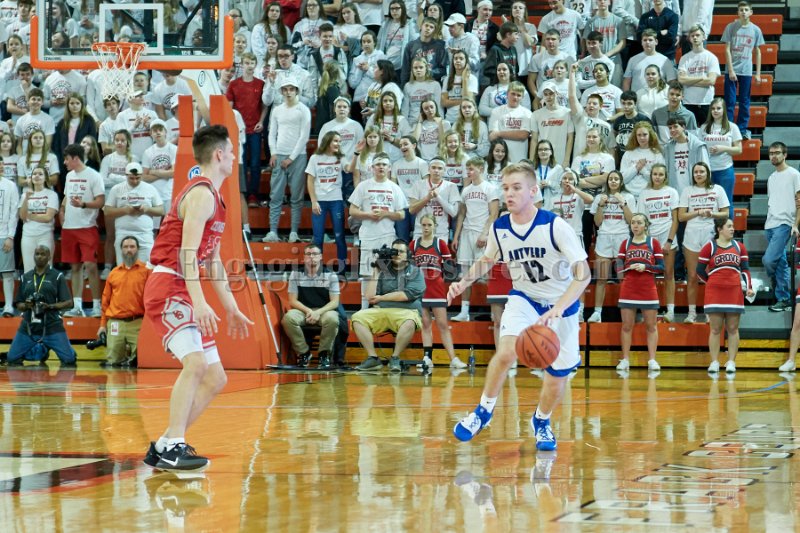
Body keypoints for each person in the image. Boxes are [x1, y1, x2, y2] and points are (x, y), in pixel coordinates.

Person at [449, 161, 591, 451]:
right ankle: (483, 412)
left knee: (557, 377)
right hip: (524, 298)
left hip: (561, 307)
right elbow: (487, 259)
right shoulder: (500, 227)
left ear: (533, 191)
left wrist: (559, 309)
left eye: (516, 188)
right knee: (505, 353)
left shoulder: (554, 225)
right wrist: (463, 282)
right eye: (505, 188)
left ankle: (542, 421)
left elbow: (584, 274)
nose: (509, 194)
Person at [142, 124, 254, 473]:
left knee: (217, 377)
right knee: (195, 364)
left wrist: (231, 307)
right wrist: (201, 302)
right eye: (231, 152)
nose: (234, 157)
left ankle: (165, 444)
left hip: (182, 286)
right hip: (167, 284)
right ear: (219, 154)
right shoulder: (202, 194)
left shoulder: (216, 198)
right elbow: (187, 254)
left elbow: (213, 261)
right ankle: (175, 444)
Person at [352, 238, 425, 372]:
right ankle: (373, 358)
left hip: (407, 312)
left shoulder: (415, 271)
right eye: (394, 251)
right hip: (383, 310)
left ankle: (395, 357)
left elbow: (406, 295)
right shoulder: (384, 271)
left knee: (409, 322)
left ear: (408, 254)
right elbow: (370, 297)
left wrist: (382, 298)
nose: (397, 254)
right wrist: (376, 271)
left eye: (401, 252)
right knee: (357, 318)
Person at [348, 152, 408, 308]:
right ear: (372, 167)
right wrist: (368, 214)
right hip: (368, 235)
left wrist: (385, 214)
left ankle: (382, 306)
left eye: (384, 165)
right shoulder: (363, 186)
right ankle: (364, 308)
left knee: (386, 273)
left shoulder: (394, 188)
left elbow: (402, 214)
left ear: (389, 168)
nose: (381, 167)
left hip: (387, 235)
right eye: (378, 164)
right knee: (367, 273)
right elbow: (352, 211)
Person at [698, 217, 754, 374]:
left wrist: (749, 287)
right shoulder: (709, 247)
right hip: (715, 292)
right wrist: (711, 282)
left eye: (733, 226)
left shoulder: (739, 247)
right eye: (729, 226)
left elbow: (745, 269)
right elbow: (699, 270)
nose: (732, 229)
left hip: (734, 291)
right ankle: (714, 362)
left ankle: (731, 362)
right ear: (719, 229)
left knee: (733, 328)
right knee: (715, 329)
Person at [410, 214, 466, 370]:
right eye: (424, 225)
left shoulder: (440, 244)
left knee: (443, 324)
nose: (426, 228)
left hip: (437, 290)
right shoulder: (414, 245)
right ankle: (427, 358)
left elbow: (450, 268)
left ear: (435, 226)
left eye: (429, 225)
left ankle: (453, 359)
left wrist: (442, 279)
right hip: (421, 291)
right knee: (425, 324)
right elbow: (410, 268)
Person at [6, 246, 77, 367]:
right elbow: (18, 304)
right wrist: (27, 305)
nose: (39, 256)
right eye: (37, 254)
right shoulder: (26, 277)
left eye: (43, 254)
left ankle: (58, 347)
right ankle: (42, 349)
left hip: (52, 325)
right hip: (29, 326)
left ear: (49, 257)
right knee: (12, 358)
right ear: (33, 256)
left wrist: (50, 306)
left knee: (69, 360)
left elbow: (69, 303)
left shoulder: (57, 276)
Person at [678, 162, 730, 324]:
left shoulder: (717, 189)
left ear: (707, 173)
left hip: (710, 234)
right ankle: (692, 313)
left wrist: (711, 214)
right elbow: (681, 216)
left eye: (701, 171)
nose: (698, 174)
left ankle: (709, 311)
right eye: (696, 172)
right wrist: (697, 212)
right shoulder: (687, 191)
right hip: (691, 235)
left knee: (710, 275)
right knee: (692, 276)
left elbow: (725, 213)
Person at [263, 78, 312, 244]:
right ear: (282, 91)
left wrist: (291, 157)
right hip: (279, 155)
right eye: (285, 89)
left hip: (298, 157)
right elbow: (272, 133)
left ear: (297, 90)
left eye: (292, 89)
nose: (288, 92)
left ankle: (293, 232)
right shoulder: (277, 110)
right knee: (275, 195)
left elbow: (304, 137)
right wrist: (273, 153)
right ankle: (272, 232)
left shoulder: (303, 110)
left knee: (296, 197)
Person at [451, 158, 500, 322]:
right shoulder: (466, 190)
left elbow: (494, 214)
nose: (468, 172)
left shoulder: (490, 188)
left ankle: (494, 312)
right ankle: (464, 312)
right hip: (466, 233)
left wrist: (485, 234)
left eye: (471, 169)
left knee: (487, 275)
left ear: (481, 168)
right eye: (467, 169)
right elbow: (461, 214)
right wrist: (456, 236)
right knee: (465, 275)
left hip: (483, 234)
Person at [615, 213, 664, 374]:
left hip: (648, 289)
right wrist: (626, 269)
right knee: (626, 326)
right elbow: (618, 266)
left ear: (646, 225)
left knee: (651, 326)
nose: (635, 225)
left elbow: (661, 267)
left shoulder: (653, 243)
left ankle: (652, 360)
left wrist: (646, 267)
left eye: (639, 222)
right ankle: (625, 360)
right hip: (629, 288)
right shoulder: (625, 243)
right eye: (633, 222)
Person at [60, 144, 104, 318]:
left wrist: (84, 204)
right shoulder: (69, 176)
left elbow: (100, 201)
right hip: (69, 227)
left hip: (87, 226)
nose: (64, 162)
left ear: (75, 158)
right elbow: (66, 197)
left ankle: (96, 306)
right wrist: (62, 211)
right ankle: (77, 306)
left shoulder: (94, 176)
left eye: (66, 159)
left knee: (91, 266)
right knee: (75, 267)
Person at [281, 243, 342, 369]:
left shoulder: (331, 275)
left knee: (332, 319)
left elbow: (334, 302)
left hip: (324, 311)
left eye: (315, 254)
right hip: (303, 310)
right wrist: (309, 311)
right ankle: (304, 352)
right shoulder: (295, 274)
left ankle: (324, 354)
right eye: (308, 254)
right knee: (288, 319)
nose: (311, 257)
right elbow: (292, 301)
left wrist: (318, 312)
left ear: (321, 257)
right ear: (304, 257)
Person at [586, 170, 635, 323]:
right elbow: (597, 222)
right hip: (604, 238)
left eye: (616, 179)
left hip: (622, 237)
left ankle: (627, 311)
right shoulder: (599, 197)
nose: (613, 181)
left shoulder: (628, 197)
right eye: (611, 179)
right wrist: (601, 205)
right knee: (601, 278)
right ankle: (597, 313)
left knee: (623, 279)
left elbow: (631, 221)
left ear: (621, 182)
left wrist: (623, 203)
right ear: (607, 182)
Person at [97, 236, 150, 368]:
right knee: (113, 362)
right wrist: (102, 325)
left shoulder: (147, 272)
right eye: (126, 247)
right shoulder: (113, 273)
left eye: (132, 247)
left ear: (138, 249)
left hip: (138, 322)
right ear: (121, 250)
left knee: (141, 360)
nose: (129, 250)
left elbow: (151, 299)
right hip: (116, 323)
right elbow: (105, 301)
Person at [637, 163, 679, 322]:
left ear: (665, 176)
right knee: (649, 275)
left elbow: (675, 220)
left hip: (668, 237)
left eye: (661, 174)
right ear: (651, 176)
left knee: (669, 274)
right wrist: (647, 243)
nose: (657, 177)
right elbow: (642, 220)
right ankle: (650, 310)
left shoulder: (672, 192)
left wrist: (669, 241)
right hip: (650, 239)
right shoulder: (644, 194)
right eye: (655, 174)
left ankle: (670, 311)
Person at [226, 52, 267, 209]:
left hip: (255, 129)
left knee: (255, 163)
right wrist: (233, 126)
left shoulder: (260, 84)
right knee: (240, 163)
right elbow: (229, 108)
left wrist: (261, 121)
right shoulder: (234, 84)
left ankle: (253, 194)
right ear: (241, 65)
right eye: (246, 63)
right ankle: (240, 192)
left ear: (255, 65)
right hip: (239, 131)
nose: (249, 66)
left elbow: (264, 105)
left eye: (252, 63)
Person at [104, 162, 165, 265]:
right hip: (123, 232)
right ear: (126, 176)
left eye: (138, 178)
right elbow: (107, 211)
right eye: (131, 178)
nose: (135, 181)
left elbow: (161, 210)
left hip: (144, 234)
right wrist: (125, 210)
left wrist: (147, 209)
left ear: (141, 175)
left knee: (146, 268)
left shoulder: (150, 188)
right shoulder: (117, 189)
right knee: (124, 268)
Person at [764, 142, 800, 313]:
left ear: (785, 155)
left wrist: (795, 224)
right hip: (770, 224)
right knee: (780, 263)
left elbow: (799, 202)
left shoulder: (794, 174)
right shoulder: (771, 177)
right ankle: (784, 299)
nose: (774, 156)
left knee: (769, 260)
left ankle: (778, 283)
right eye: (771, 153)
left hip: (785, 223)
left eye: (777, 153)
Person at [306, 131, 347, 273]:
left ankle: (342, 270)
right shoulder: (315, 158)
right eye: (335, 141)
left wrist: (356, 154)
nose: (338, 144)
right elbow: (310, 180)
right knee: (318, 237)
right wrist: (313, 201)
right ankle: (318, 270)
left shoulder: (341, 157)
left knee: (339, 236)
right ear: (328, 141)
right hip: (320, 201)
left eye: (339, 141)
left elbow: (349, 169)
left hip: (336, 200)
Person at [722, 1, 764, 140]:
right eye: (741, 10)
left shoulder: (756, 30)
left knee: (744, 102)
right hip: (731, 71)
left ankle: (742, 130)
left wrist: (758, 73)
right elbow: (727, 50)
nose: (743, 12)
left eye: (746, 9)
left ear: (751, 12)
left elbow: (758, 52)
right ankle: (728, 129)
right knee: (730, 101)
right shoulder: (731, 27)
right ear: (737, 12)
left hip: (746, 71)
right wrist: (731, 70)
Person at [698, 97, 742, 218]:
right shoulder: (704, 127)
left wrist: (723, 148)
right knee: (709, 203)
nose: (715, 111)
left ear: (724, 110)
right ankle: (712, 229)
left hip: (725, 170)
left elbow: (739, 150)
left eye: (718, 108)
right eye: (713, 108)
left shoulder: (732, 127)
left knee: (726, 203)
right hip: (707, 171)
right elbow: (699, 148)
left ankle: (728, 228)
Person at [677, 25, 720, 126]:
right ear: (689, 39)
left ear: (703, 37)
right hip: (688, 102)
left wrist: (689, 81)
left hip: (706, 102)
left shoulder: (711, 57)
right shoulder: (684, 58)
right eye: (692, 36)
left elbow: (711, 81)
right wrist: (702, 78)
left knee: (707, 132)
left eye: (697, 35)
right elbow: (681, 80)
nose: (695, 38)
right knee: (690, 133)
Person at [18, 167, 58, 274]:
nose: (36, 176)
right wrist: (27, 199)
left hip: (45, 235)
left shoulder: (52, 194)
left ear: (45, 178)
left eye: (40, 174)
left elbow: (47, 217)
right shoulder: (25, 195)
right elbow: (22, 216)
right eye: (34, 174)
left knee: (46, 269)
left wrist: (31, 216)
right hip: (28, 236)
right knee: (28, 270)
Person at [531, 80, 574, 168]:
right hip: (542, 157)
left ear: (557, 94)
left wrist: (566, 160)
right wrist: (532, 161)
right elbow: (534, 140)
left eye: (551, 93)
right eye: (545, 94)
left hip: (560, 157)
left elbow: (570, 138)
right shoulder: (536, 114)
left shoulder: (567, 113)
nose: (548, 97)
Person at [620, 121, 665, 199]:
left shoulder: (657, 154)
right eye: (639, 135)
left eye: (645, 134)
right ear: (635, 136)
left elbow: (659, 180)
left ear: (650, 135)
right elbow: (622, 179)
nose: (642, 138)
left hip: (649, 195)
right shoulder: (628, 153)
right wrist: (636, 168)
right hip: (629, 195)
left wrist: (643, 170)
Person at [400, 17, 448, 86]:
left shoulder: (440, 47)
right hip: (415, 84)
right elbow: (405, 69)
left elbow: (443, 70)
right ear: (421, 26)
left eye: (431, 27)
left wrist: (428, 73)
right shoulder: (410, 46)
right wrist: (404, 86)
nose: (428, 28)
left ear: (434, 31)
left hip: (433, 83)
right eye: (426, 25)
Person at [0, 166, 17, 316]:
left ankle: (8, 306)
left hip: (4, 235)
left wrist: (10, 236)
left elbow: (14, 212)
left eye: (2, 165)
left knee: (7, 273)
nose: (1, 168)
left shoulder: (10, 185)